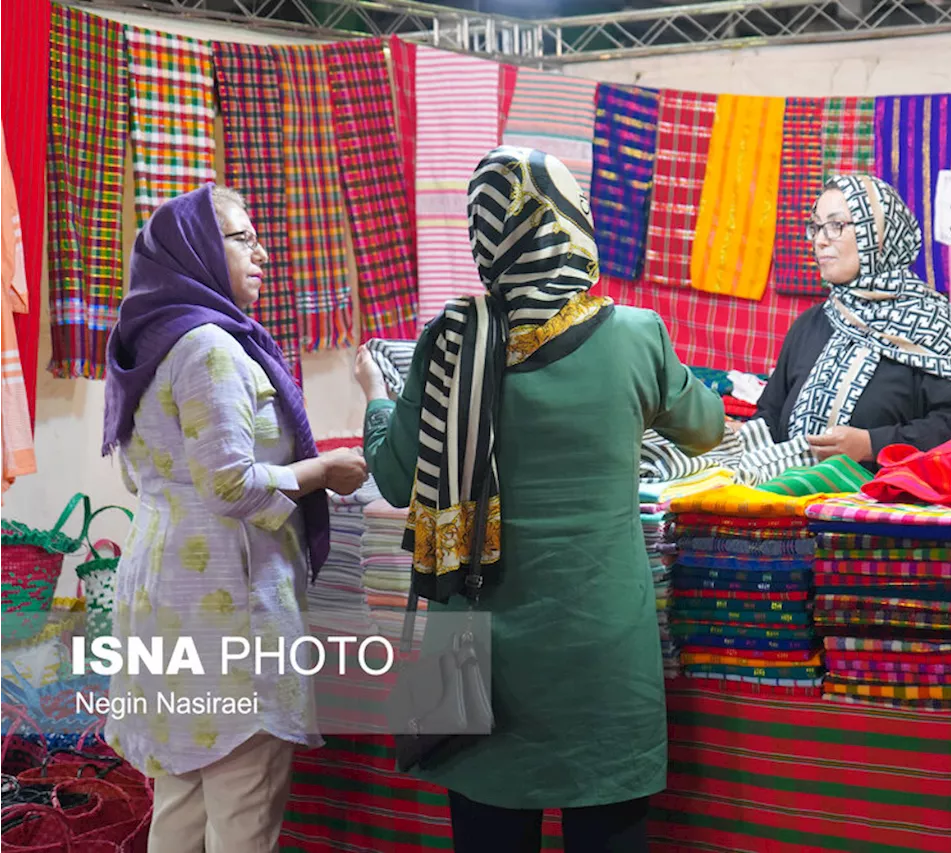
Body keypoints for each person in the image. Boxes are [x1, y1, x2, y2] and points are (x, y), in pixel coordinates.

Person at [355, 147, 723, 852]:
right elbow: (706, 427)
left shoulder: (449, 341)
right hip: (600, 646)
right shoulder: (635, 335)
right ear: (570, 220)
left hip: (476, 651)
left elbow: (398, 479)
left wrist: (376, 399)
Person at [101, 183, 367, 853]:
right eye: (244, 238)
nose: (264, 253)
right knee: (242, 812)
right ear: (197, 249)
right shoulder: (211, 348)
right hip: (225, 597)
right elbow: (230, 484)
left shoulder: (149, 338)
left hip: (164, 590)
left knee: (182, 808)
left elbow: (144, 474)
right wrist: (324, 469)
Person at [754, 174, 951, 469]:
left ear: (879, 233)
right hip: (791, 502)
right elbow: (770, 415)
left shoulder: (930, 322)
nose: (819, 240)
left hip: (890, 506)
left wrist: (873, 445)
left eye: (836, 226)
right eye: (816, 227)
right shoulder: (811, 324)